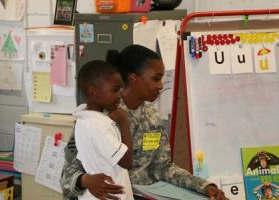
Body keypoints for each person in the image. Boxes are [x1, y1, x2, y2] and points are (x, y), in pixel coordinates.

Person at [60, 44, 228, 200]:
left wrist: (204, 187)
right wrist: (85, 180)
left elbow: (162, 167)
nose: (161, 86)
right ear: (134, 78)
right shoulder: (97, 118)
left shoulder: (152, 115)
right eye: (156, 79)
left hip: (147, 193)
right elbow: (67, 175)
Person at [74, 60, 133, 199]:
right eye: (115, 89)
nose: (120, 95)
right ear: (94, 91)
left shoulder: (83, 120)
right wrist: (124, 122)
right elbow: (126, 162)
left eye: (121, 89)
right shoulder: (98, 126)